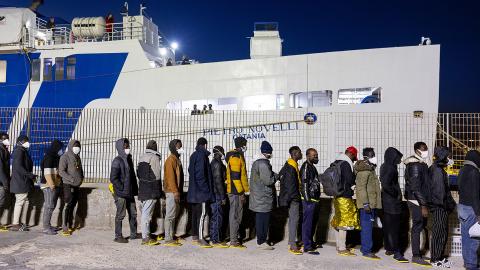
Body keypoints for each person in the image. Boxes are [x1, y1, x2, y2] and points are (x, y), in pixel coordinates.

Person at [404, 142, 431, 266]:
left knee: (420, 226)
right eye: (423, 149)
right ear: (417, 150)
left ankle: (419, 253)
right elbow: (415, 188)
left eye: (426, 148)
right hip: (416, 201)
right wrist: (423, 205)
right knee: (417, 227)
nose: (425, 151)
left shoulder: (420, 164)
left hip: (419, 200)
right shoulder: (415, 165)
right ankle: (416, 256)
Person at [428, 146, 456, 268]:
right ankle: (434, 259)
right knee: (439, 233)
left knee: (442, 232)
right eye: (449, 156)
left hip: (441, 206)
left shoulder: (438, 169)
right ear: (444, 156)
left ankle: (439, 257)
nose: (450, 158)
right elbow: (439, 192)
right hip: (439, 207)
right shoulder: (437, 171)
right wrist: (447, 206)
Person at [380, 147, 408, 263]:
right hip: (392, 203)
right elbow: (386, 184)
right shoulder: (391, 168)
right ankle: (397, 253)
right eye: (398, 158)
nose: (400, 160)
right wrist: (396, 194)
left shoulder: (384, 166)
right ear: (393, 157)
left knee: (388, 227)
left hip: (386, 202)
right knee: (396, 228)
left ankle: (389, 249)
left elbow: (384, 183)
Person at [330, 146, 360, 256]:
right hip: (344, 196)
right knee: (345, 222)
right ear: (351, 154)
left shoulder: (336, 162)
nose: (353, 160)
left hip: (337, 195)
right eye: (353, 157)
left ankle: (339, 245)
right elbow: (350, 180)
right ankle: (342, 248)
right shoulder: (346, 164)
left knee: (338, 220)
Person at [354, 147, 382, 260]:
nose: (374, 157)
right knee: (367, 227)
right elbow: (361, 188)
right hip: (367, 205)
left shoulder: (370, 168)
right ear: (366, 157)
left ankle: (365, 248)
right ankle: (367, 250)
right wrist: (365, 204)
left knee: (368, 226)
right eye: (372, 155)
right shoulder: (364, 170)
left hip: (371, 203)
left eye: (374, 154)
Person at [110, 138, 139, 243]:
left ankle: (133, 234)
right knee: (121, 214)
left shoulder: (129, 159)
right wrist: (121, 187)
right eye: (125, 146)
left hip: (129, 192)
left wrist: (134, 189)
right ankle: (118, 236)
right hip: (121, 193)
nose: (128, 148)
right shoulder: (117, 161)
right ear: (120, 148)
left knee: (133, 213)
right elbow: (113, 178)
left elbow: (132, 176)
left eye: (128, 146)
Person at [187, 137, 214, 248]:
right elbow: (201, 174)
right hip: (200, 192)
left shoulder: (193, 155)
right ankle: (201, 238)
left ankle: (194, 236)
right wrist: (206, 190)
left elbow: (190, 170)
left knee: (195, 214)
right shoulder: (202, 155)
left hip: (193, 191)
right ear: (205, 145)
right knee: (202, 215)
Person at [249, 141, 277, 250]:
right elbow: (268, 181)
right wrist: (276, 177)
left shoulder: (258, 163)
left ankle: (261, 240)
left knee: (261, 219)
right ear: (268, 152)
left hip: (258, 196)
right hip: (263, 198)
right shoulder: (263, 164)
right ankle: (261, 242)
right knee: (263, 220)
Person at [457, 150, 480, 270]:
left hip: (461, 207)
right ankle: (471, 265)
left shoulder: (462, 170)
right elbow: (475, 195)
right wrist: (478, 214)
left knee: (466, 236)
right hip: (471, 208)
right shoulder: (474, 172)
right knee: (474, 238)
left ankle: (467, 262)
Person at [278, 146, 303, 255]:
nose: (301, 154)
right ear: (295, 153)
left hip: (290, 197)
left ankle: (291, 241)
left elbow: (280, 176)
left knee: (294, 220)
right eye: (300, 152)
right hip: (293, 198)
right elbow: (290, 185)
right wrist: (296, 197)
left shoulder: (289, 165)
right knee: (294, 220)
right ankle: (293, 245)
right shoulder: (290, 167)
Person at [137, 140, 162, 246]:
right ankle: (145, 237)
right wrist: (158, 191)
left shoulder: (142, 157)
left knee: (144, 213)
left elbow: (138, 173)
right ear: (155, 148)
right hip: (151, 189)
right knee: (146, 215)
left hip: (142, 188)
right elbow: (157, 176)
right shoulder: (155, 158)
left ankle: (146, 235)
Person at [226, 136, 249, 248]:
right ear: (241, 145)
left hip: (236, 190)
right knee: (235, 215)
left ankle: (234, 238)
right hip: (236, 192)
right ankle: (234, 240)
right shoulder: (235, 157)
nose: (246, 146)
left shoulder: (237, 155)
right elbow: (235, 177)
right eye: (245, 144)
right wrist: (241, 193)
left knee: (236, 215)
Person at [9, 135, 36, 231]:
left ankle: (18, 222)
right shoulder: (19, 151)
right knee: (20, 202)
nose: (27, 142)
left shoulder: (22, 151)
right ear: (19, 142)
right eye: (25, 141)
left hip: (22, 181)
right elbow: (18, 166)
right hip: (20, 181)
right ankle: (16, 224)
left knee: (22, 201)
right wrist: (29, 175)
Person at [59, 140, 84, 236]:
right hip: (68, 184)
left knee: (73, 204)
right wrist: (71, 179)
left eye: (78, 146)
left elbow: (80, 170)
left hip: (76, 185)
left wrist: (81, 178)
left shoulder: (77, 157)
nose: (77, 148)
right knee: (67, 205)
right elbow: (61, 171)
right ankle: (64, 227)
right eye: (75, 146)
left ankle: (70, 224)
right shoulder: (64, 157)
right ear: (70, 146)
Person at [163, 139, 184, 247]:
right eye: (178, 147)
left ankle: (171, 235)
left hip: (175, 191)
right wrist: (175, 192)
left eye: (181, 146)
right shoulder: (170, 160)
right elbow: (171, 178)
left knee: (173, 214)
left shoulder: (176, 159)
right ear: (173, 147)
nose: (180, 149)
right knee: (170, 215)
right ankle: (168, 238)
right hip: (172, 192)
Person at [300, 148, 321, 255]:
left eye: (316, 155)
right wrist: (307, 199)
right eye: (314, 155)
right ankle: (307, 246)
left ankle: (310, 242)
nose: (316, 157)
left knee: (312, 223)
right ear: (308, 156)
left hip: (314, 199)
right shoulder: (306, 167)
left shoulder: (312, 167)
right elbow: (304, 184)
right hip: (309, 200)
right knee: (307, 224)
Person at [40, 139, 64, 235]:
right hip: (48, 185)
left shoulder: (55, 157)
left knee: (51, 205)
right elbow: (47, 173)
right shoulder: (49, 157)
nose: (61, 150)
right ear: (56, 147)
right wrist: (52, 185)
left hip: (53, 185)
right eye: (60, 148)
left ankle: (48, 225)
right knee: (49, 205)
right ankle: (46, 227)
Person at [209, 146, 228, 248]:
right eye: (223, 152)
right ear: (219, 153)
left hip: (216, 193)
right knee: (217, 217)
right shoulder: (216, 164)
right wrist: (222, 197)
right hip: (217, 194)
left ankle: (215, 238)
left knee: (216, 217)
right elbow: (218, 181)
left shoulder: (216, 163)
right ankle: (215, 240)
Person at [0, 132, 10, 232]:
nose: (7, 140)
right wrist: (5, 182)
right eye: (4, 138)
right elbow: (1, 168)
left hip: (2, 181)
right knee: (0, 203)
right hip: (1, 182)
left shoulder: (4, 150)